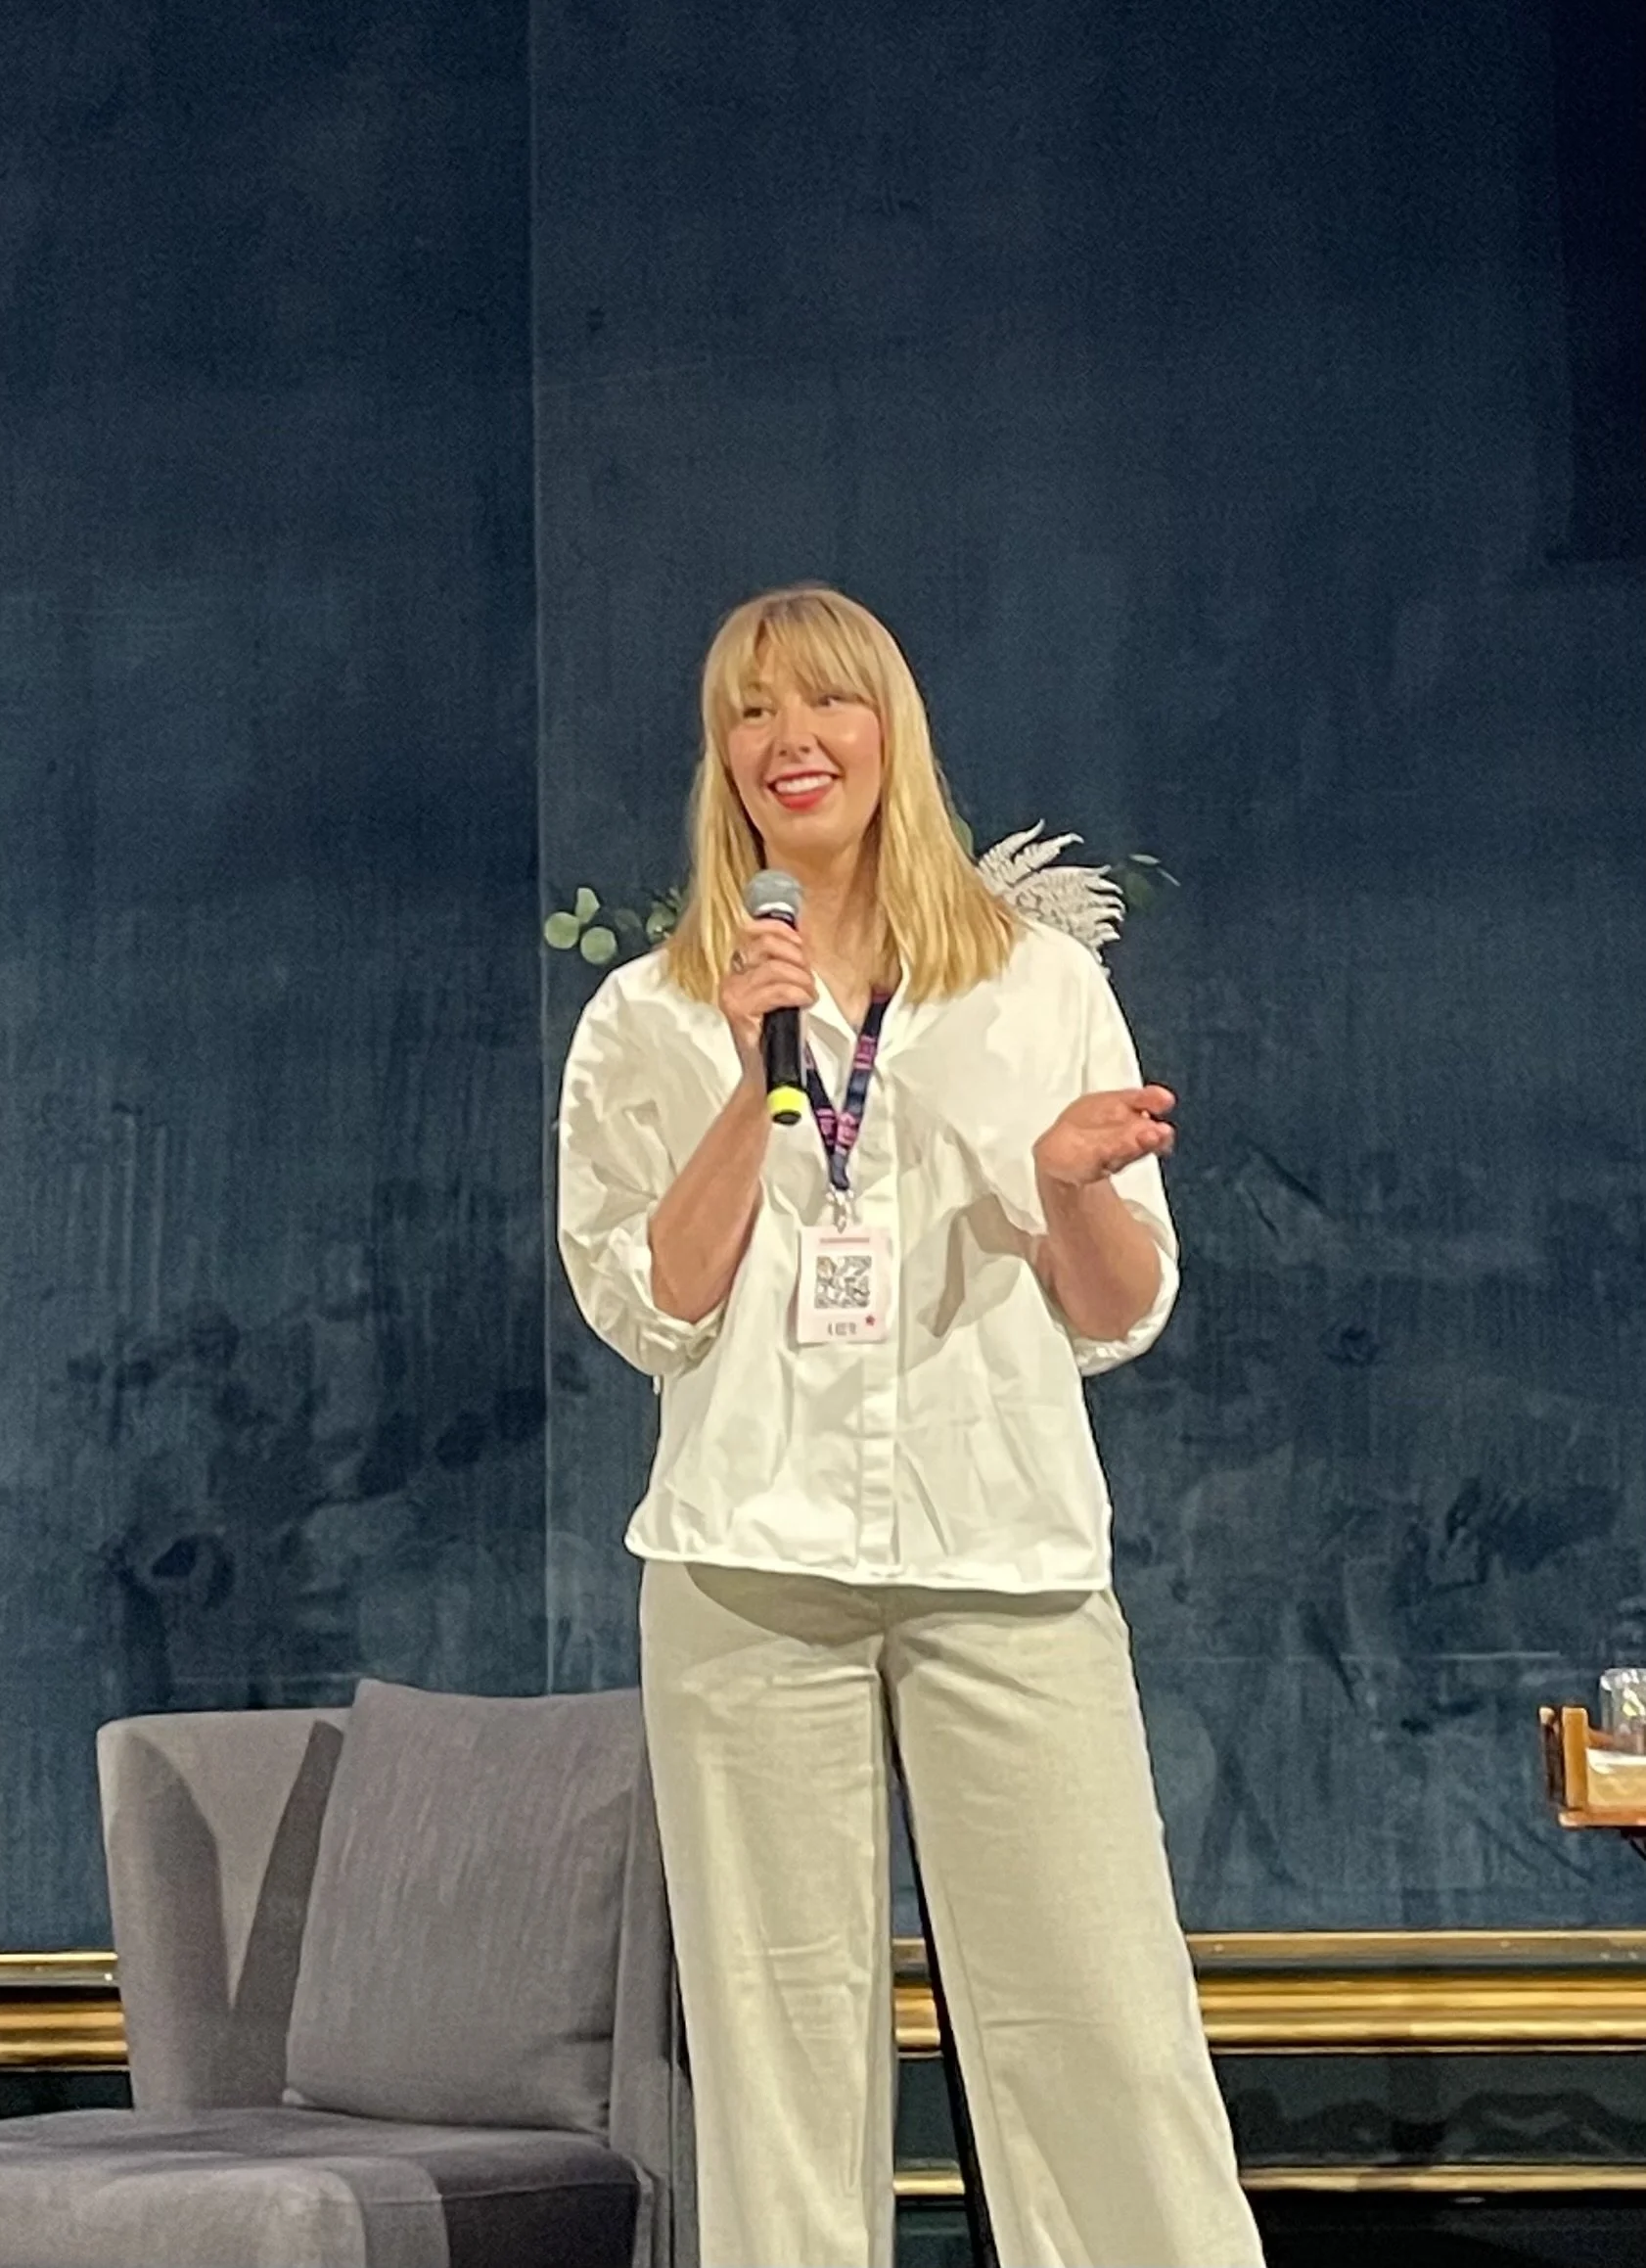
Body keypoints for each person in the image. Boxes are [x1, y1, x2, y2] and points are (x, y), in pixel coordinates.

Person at [557, 584, 1263, 2268]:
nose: (789, 742)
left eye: (826, 705)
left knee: (1096, 2023)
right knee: (775, 2052)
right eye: (750, 713)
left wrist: (1066, 1188)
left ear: (892, 735)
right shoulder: (652, 1012)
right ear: (720, 759)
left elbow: (1116, 1311)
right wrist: (751, 1080)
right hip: (744, 1565)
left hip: (1001, 1552)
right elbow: (648, 1306)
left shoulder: (1039, 989)